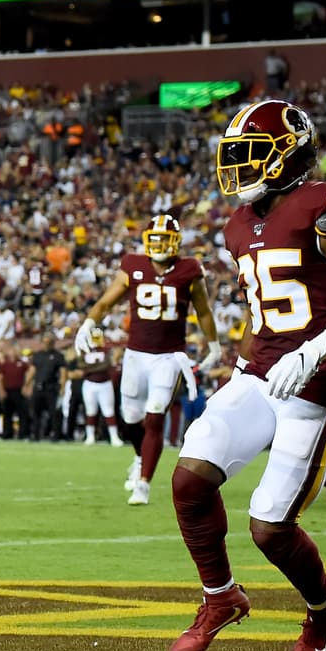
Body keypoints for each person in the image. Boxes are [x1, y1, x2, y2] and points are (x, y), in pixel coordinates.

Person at [167, 98, 326, 651]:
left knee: (270, 528)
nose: (238, 169)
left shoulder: (324, 205)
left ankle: (325, 607)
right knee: (189, 478)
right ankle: (220, 596)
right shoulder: (239, 224)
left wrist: (314, 349)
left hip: (318, 384)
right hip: (258, 373)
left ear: (287, 156)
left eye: (250, 157)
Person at [75, 213, 221, 505]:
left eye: (164, 240)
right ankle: (140, 458)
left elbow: (203, 311)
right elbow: (106, 301)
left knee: (155, 416)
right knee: (131, 418)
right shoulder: (133, 265)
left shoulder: (189, 269)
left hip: (168, 357)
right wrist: (87, 324)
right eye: (154, 239)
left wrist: (214, 344)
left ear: (175, 242)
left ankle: (143, 483)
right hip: (135, 356)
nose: (158, 245)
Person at [77, 327, 123, 447]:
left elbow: (106, 365)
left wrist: (90, 367)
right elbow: (81, 365)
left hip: (104, 384)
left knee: (109, 411)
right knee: (90, 411)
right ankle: (90, 436)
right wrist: (95, 366)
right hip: (89, 384)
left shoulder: (105, 349)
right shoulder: (85, 349)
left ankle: (114, 437)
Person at [27, 333, 67, 441]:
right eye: (45, 341)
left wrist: (63, 387)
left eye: (49, 342)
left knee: (54, 413)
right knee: (36, 412)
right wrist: (27, 384)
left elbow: (63, 372)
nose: (46, 344)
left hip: (51, 387)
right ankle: (35, 435)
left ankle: (55, 435)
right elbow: (32, 370)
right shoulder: (38, 355)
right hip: (38, 387)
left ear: (53, 343)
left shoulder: (58, 356)